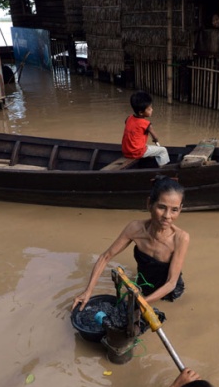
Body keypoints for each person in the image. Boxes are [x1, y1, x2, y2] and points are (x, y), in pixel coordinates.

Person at [71, 177, 188, 311]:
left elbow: (171, 283)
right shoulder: (135, 228)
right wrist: (88, 291)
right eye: (162, 207)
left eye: (174, 210)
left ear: (180, 209)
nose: (167, 216)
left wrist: (139, 303)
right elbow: (106, 257)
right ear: (149, 204)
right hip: (142, 286)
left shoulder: (180, 238)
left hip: (168, 293)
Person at [122, 91, 170, 167]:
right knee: (163, 150)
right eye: (149, 109)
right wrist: (155, 140)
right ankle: (163, 170)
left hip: (126, 151)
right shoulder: (146, 124)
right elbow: (155, 137)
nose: (152, 110)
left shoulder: (129, 118)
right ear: (141, 112)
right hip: (137, 152)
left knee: (148, 147)